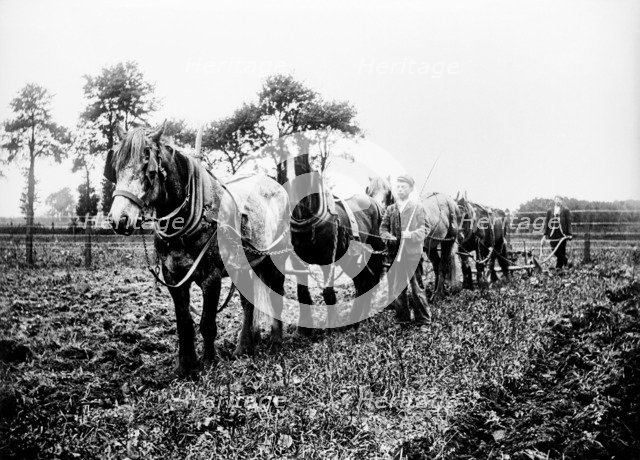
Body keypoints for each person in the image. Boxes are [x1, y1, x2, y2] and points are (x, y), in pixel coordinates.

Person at [380, 174, 431, 325]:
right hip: (395, 255)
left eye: (404, 187)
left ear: (410, 189)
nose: (400, 189)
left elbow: (425, 228)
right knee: (398, 289)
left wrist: (411, 235)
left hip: (412, 256)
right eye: (398, 187)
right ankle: (402, 320)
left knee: (417, 289)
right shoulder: (391, 209)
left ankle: (423, 321)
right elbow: (383, 229)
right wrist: (388, 237)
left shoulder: (417, 208)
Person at [542, 195, 573, 269]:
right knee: (554, 249)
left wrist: (570, 234)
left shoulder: (565, 210)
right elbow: (547, 222)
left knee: (562, 250)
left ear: (562, 201)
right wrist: (545, 234)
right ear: (554, 200)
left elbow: (568, 222)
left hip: (562, 232)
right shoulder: (550, 211)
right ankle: (566, 261)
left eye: (560, 200)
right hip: (552, 232)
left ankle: (558, 268)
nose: (558, 201)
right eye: (557, 199)